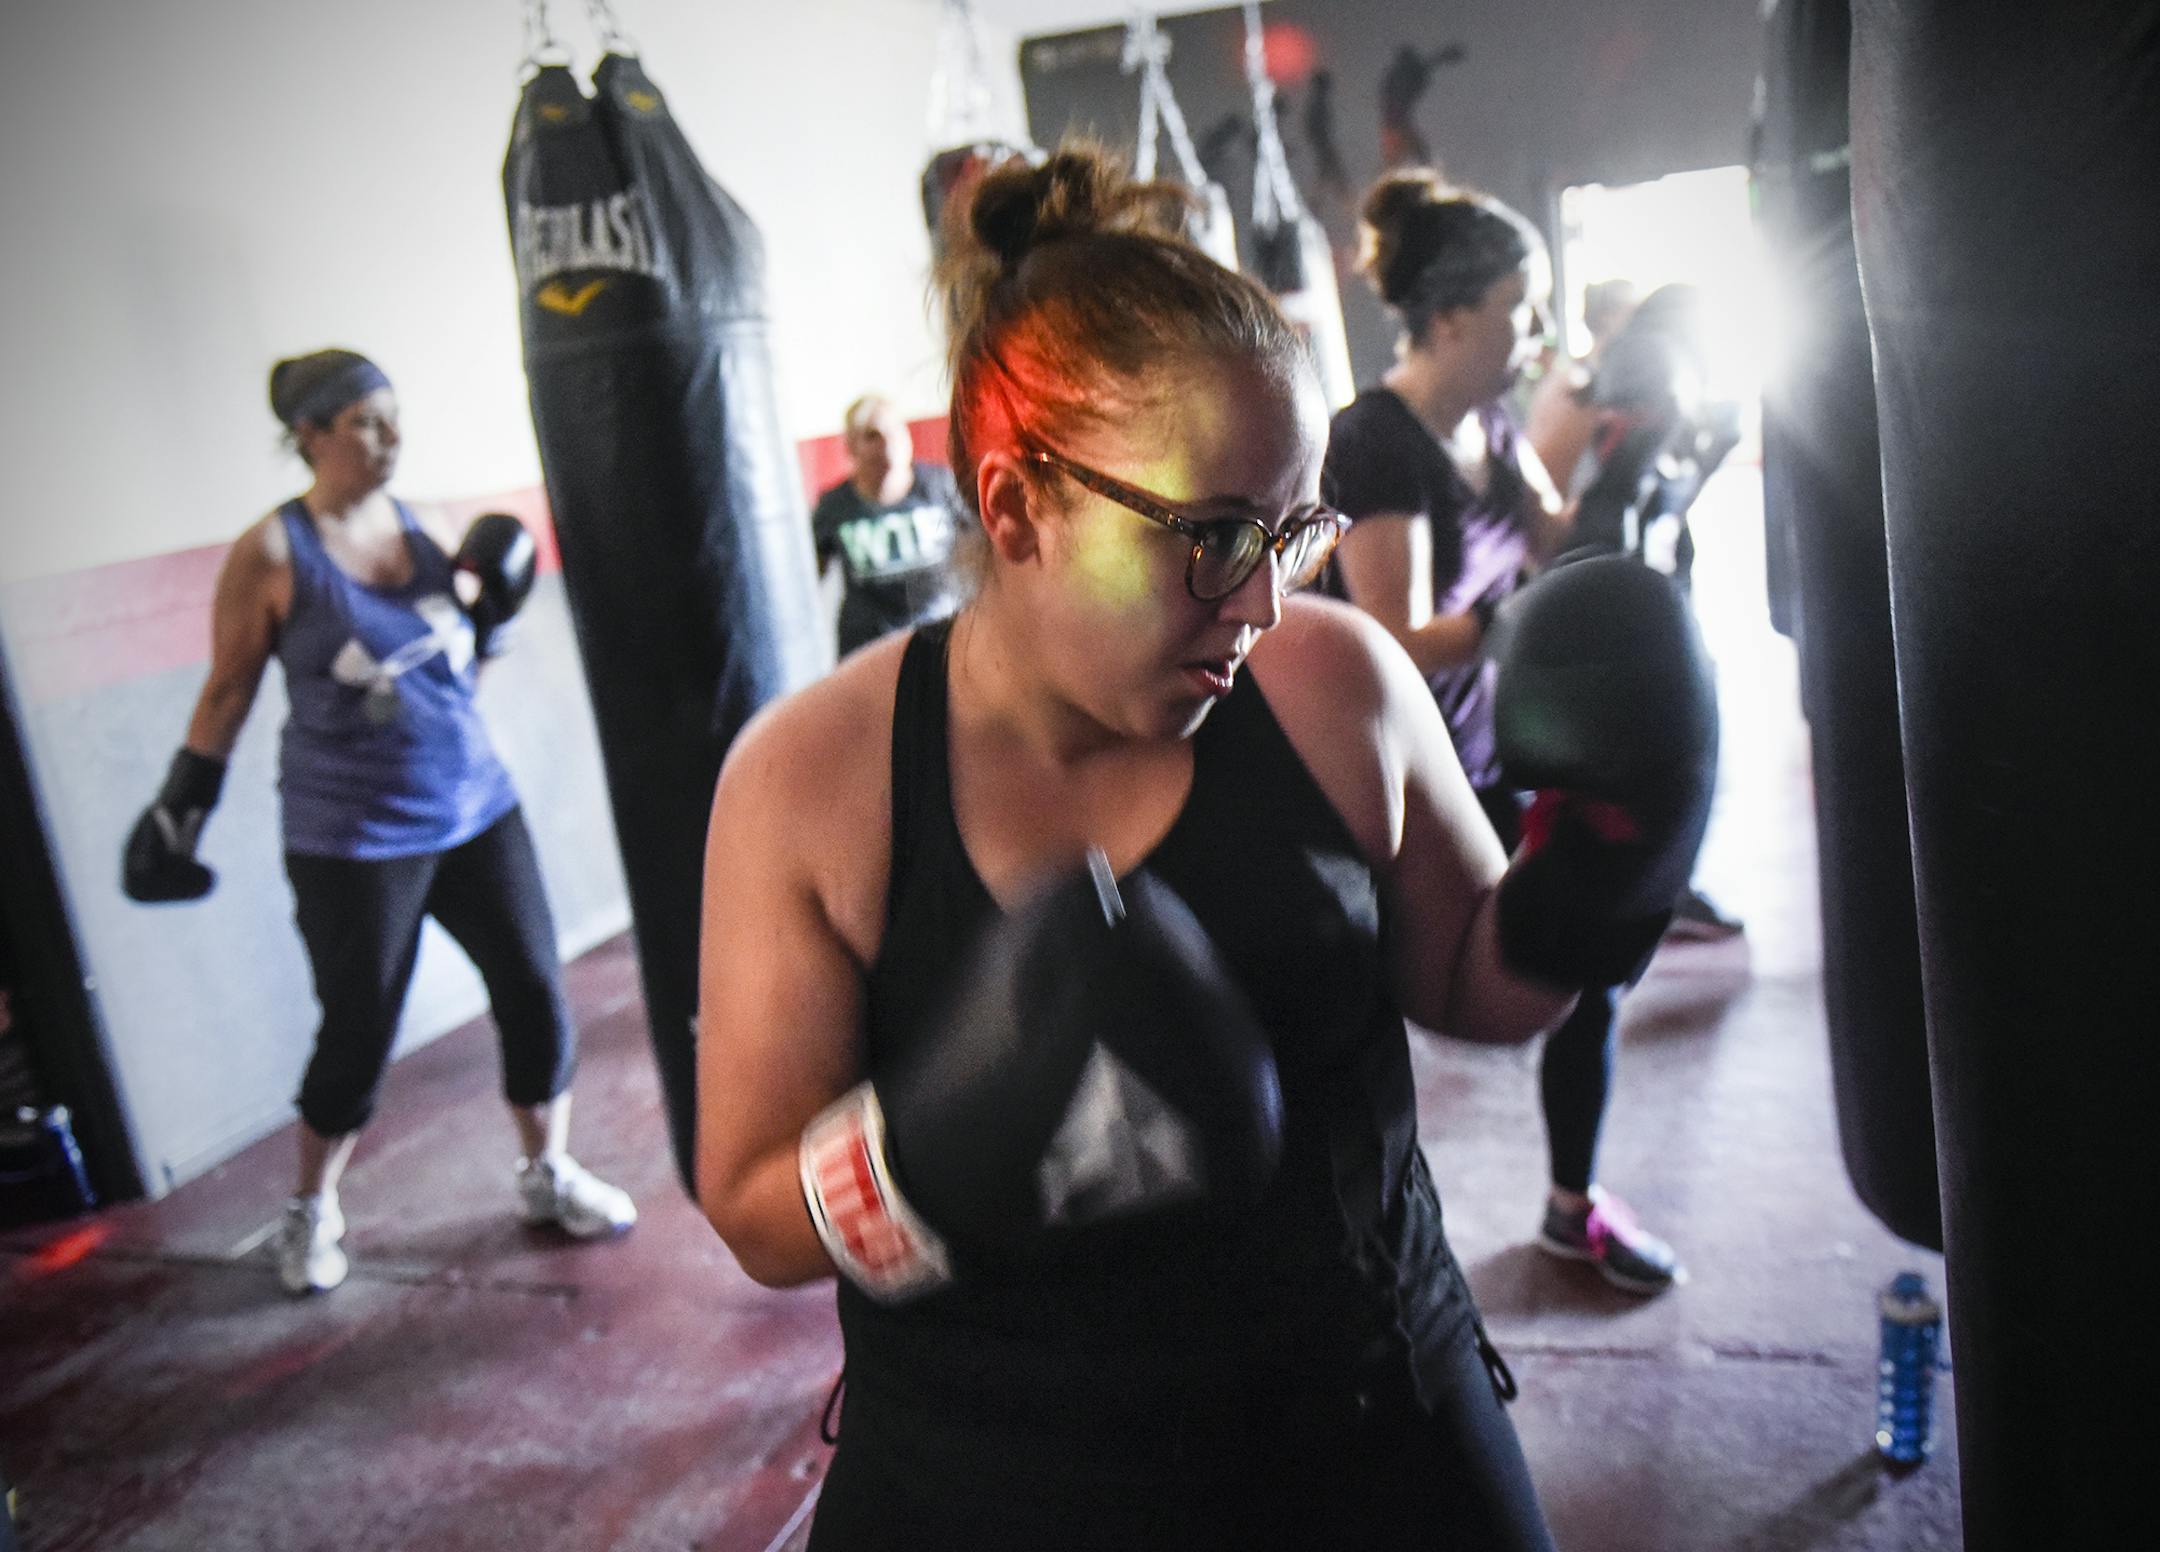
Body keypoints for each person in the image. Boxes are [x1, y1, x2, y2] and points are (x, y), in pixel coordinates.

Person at [696, 147, 1712, 1549]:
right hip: (985, 1487)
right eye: (1214, 535)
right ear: (1014, 508)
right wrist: (935, 1150)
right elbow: (754, 1209)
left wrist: (1606, 866)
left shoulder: (1336, 684)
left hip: (1372, 1432)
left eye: (1290, 530)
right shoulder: (815, 781)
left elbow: (1481, 980)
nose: (1257, 598)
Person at [121, 348, 635, 1296]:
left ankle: (545, 1172)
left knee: (534, 991)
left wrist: (499, 620)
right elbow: (230, 689)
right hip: (352, 837)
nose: (389, 437)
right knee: (358, 1030)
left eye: (393, 416)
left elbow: (456, 670)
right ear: (309, 436)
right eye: (364, 420)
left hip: (476, 805)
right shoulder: (274, 554)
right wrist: (181, 804)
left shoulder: (426, 525)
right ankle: (310, 1211)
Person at [1320, 170, 1687, 1295]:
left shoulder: (1485, 420)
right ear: (1447, 318)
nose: (1533, 337)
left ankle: (1572, 1208)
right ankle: (1349, 1247)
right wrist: (1509, 620)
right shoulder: (1378, 441)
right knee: (1366, 1011)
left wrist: (1647, 463)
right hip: (1407, 779)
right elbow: (1389, 637)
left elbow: (1558, 538)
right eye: (1517, 311)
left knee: (1588, 968)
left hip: (1496, 747)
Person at [809, 394, 967, 656]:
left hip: (941, 641)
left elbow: (986, 550)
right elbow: (807, 579)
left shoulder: (941, 486)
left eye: (895, 432)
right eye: (873, 436)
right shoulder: (835, 506)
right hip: (868, 652)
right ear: (851, 447)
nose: (888, 444)